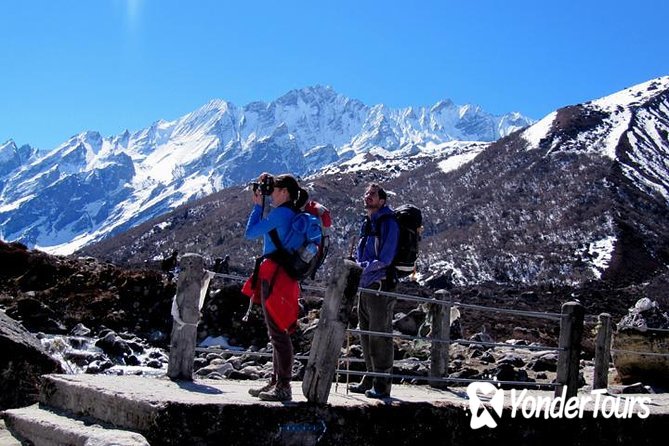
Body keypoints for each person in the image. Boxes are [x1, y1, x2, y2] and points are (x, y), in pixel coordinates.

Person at [241, 173, 307, 402]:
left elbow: (251, 233)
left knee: (278, 333)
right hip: (285, 277)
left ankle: (283, 386)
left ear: (286, 192)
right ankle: (276, 381)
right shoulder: (292, 213)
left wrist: (258, 207)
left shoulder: (281, 213)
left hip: (276, 276)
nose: (272, 193)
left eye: (275, 189)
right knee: (279, 330)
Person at [349, 183, 400, 399]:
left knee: (380, 334)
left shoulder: (388, 223)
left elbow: (386, 258)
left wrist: (364, 268)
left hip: (380, 284)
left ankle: (382, 383)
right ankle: (370, 377)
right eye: (367, 193)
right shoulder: (369, 223)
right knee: (366, 332)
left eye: (373, 194)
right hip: (366, 284)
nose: (368, 197)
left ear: (382, 200)